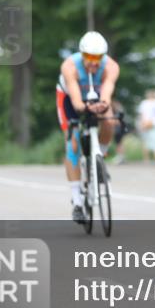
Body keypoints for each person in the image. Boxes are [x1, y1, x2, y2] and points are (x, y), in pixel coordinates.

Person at [56, 31, 121, 223]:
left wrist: (103, 106)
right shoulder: (70, 66)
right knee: (73, 142)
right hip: (70, 99)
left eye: (98, 58)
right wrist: (84, 107)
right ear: (82, 54)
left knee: (108, 121)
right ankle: (77, 201)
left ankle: (99, 159)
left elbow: (107, 93)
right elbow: (76, 101)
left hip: (96, 97)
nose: (94, 62)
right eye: (89, 57)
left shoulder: (111, 67)